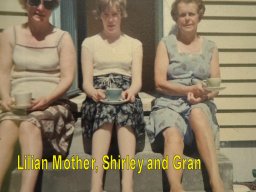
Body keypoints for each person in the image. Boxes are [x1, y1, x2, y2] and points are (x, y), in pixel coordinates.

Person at [146, 0, 224, 191]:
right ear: (176, 17)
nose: (187, 19)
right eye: (182, 15)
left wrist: (203, 96)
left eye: (191, 14)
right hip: (169, 103)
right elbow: (159, 83)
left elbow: (215, 85)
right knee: (173, 134)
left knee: (197, 113)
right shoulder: (166, 44)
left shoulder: (210, 47)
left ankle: (216, 182)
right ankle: (175, 186)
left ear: (199, 16)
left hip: (200, 103)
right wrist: (188, 90)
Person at [0, 0, 76, 191]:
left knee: (29, 123)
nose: (40, 8)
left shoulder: (62, 38)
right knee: (8, 125)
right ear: (25, 3)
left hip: (52, 104)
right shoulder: (10, 34)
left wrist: (47, 99)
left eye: (48, 3)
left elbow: (67, 79)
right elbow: (3, 73)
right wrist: (5, 97)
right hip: (16, 105)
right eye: (35, 1)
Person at [81, 0, 145, 191]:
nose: (110, 19)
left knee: (125, 107)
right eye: (106, 14)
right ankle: (96, 184)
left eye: (115, 14)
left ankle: (127, 183)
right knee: (105, 106)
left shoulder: (134, 44)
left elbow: (137, 82)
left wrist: (131, 91)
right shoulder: (89, 43)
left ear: (122, 15)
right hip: (98, 95)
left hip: (126, 93)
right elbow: (86, 82)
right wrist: (93, 92)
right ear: (99, 15)